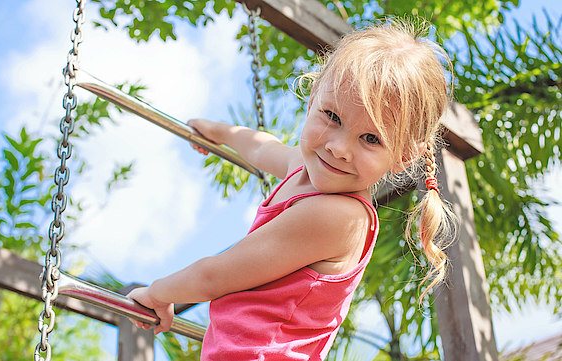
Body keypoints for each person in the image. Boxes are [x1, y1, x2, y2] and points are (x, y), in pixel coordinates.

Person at [127, 17, 456, 360]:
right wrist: (218, 133)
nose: (338, 148)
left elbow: (214, 276)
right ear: (313, 97)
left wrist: (156, 294)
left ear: (404, 155)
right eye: (332, 116)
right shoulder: (302, 165)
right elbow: (260, 147)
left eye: (371, 138)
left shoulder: (339, 217)